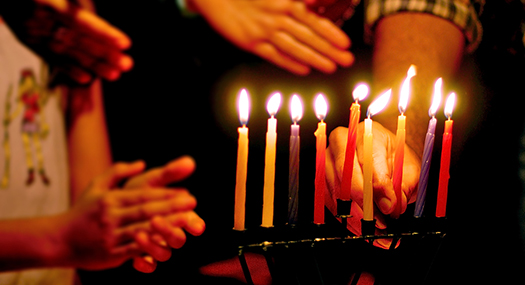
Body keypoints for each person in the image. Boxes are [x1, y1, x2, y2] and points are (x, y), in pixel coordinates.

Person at [0, 0, 205, 283]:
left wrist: (124, 216)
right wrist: (59, 240)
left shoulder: (67, 12)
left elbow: (88, 189)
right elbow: (66, 238)